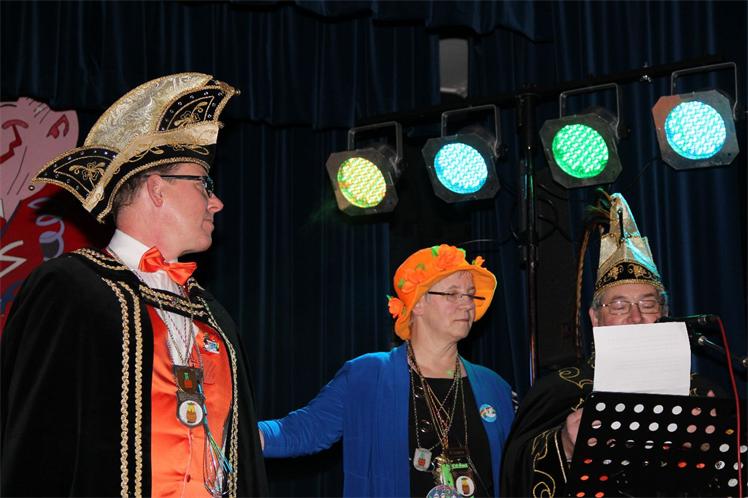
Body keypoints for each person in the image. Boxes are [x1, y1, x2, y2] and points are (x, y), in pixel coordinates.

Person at [0, 73, 268, 497]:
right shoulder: (70, 290)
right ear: (157, 189)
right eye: (204, 184)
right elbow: (35, 449)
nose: (215, 202)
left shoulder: (213, 316)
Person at [499, 192, 719, 498]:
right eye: (619, 306)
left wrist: (709, 447)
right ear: (595, 318)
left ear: (665, 313)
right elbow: (515, 473)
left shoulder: (700, 394)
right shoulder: (559, 390)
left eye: (648, 304)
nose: (636, 317)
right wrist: (565, 445)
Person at [259, 244, 515, 497]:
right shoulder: (367, 375)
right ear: (418, 303)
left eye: (470, 294)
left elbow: (518, 470)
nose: (467, 304)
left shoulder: (494, 387)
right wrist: (242, 434)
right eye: (452, 294)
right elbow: (304, 429)